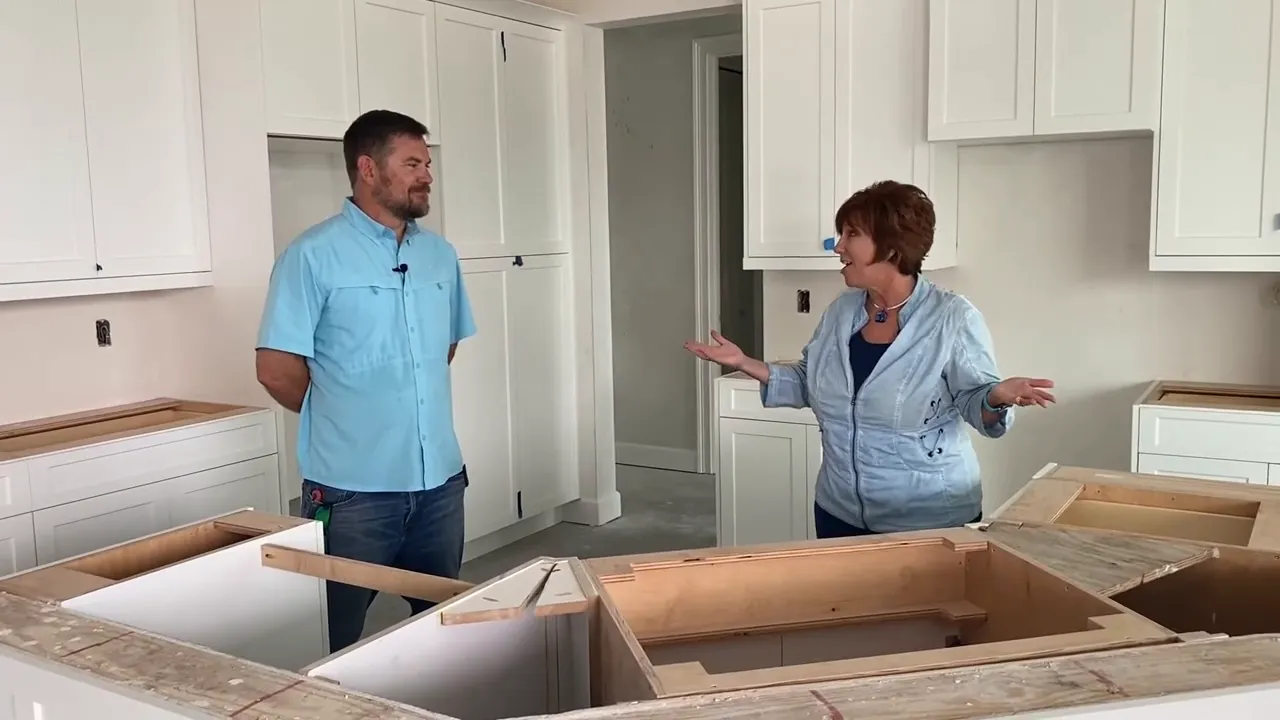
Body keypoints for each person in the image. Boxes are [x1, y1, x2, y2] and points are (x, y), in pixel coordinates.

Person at [686, 180, 1054, 539]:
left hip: (925, 519)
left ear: (891, 250)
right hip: (838, 508)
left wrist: (997, 397)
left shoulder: (952, 318)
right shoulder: (841, 313)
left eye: (851, 234)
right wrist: (745, 362)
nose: (838, 246)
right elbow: (808, 381)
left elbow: (976, 402)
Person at [255, 109, 475, 652]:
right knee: (331, 638)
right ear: (368, 169)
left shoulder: (439, 256)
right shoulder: (311, 256)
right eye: (412, 163)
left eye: (427, 163)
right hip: (352, 494)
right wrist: (345, 410)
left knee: (448, 632)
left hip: (439, 487)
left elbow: (440, 349)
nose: (427, 175)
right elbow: (277, 369)